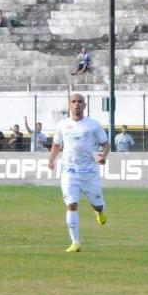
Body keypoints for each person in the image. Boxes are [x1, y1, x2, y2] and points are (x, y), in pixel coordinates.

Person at [48, 93, 109, 253]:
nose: (77, 104)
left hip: (89, 172)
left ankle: (100, 211)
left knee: (97, 204)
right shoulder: (62, 125)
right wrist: (51, 160)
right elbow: (56, 145)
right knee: (71, 204)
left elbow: (105, 143)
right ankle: (75, 242)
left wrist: (103, 155)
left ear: (85, 105)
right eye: (74, 102)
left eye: (80, 102)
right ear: (70, 105)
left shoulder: (93, 125)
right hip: (69, 171)